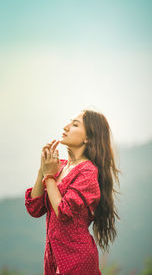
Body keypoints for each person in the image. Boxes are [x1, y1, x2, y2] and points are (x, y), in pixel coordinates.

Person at [25, 109, 121, 275]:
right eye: (69, 122)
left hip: (77, 261)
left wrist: (48, 176)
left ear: (88, 138)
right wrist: (43, 170)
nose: (66, 127)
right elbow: (34, 208)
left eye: (75, 125)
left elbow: (63, 211)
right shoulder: (58, 166)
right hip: (52, 260)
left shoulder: (87, 172)